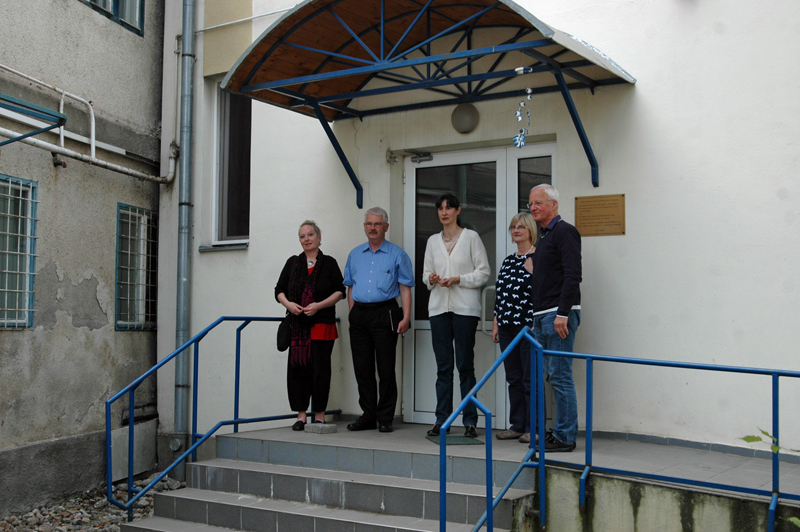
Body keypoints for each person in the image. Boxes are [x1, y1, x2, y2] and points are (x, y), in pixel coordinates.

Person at [422, 194, 491, 438]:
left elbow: (484, 272)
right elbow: (425, 274)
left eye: (449, 208)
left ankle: (470, 421)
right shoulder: (432, 241)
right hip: (438, 310)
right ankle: (442, 420)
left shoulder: (471, 237)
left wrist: (459, 279)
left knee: (465, 366)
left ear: (458, 211)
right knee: (443, 367)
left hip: (465, 310)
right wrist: (431, 279)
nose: (444, 212)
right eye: (440, 208)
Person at [343, 207, 414, 433]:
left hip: (385, 313)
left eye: (377, 224)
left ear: (386, 227)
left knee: (385, 368)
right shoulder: (355, 254)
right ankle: (368, 415)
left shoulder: (398, 254)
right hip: (359, 315)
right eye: (369, 224)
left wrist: (406, 316)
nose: (372, 228)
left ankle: (385, 418)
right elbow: (350, 287)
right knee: (362, 368)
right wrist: (353, 315)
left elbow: (405, 288)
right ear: (364, 227)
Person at [275, 221, 346, 431]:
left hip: (322, 326)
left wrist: (318, 306)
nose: (307, 239)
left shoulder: (329, 263)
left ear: (319, 237)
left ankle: (320, 415)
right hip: (298, 328)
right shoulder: (293, 263)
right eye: (302, 236)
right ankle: (301, 415)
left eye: (311, 234)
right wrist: (289, 305)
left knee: (320, 372)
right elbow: (279, 290)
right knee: (298, 371)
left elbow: (340, 291)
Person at [527, 184, 581, 452]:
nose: (533, 208)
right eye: (531, 204)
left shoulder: (564, 231)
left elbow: (573, 274)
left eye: (538, 202)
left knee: (560, 375)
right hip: (543, 315)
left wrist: (562, 313)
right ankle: (560, 431)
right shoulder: (544, 236)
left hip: (558, 315)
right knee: (553, 375)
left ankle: (565, 437)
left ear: (554, 204)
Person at [492, 212, 537, 444]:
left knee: (530, 379)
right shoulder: (508, 261)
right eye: (513, 227)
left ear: (531, 230)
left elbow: (545, 290)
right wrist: (496, 322)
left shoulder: (538, 258)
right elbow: (500, 294)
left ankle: (533, 428)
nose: (516, 230)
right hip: (507, 327)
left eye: (521, 227)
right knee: (514, 378)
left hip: (528, 327)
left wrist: (533, 272)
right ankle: (517, 425)